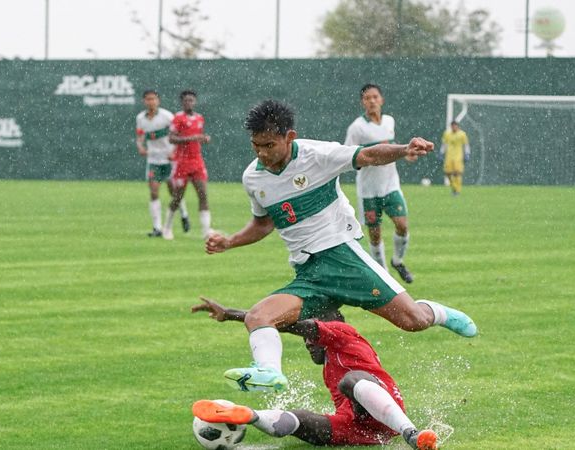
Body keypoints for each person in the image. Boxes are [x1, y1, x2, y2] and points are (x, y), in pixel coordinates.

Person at [205, 99, 477, 393]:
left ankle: (443, 313)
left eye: (269, 145)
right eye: (255, 145)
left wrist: (403, 150)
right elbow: (263, 223)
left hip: (343, 257)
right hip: (308, 274)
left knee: (413, 321)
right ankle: (269, 373)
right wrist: (229, 241)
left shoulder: (317, 155)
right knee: (260, 317)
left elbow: (369, 155)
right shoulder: (253, 177)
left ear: (289, 137)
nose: (261, 153)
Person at [191, 298, 442, 450]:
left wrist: (235, 315)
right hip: (358, 428)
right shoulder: (329, 363)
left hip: (385, 409)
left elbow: (298, 327)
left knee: (351, 381)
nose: (309, 344)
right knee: (301, 420)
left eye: (313, 339)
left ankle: (413, 434)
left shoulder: (343, 332)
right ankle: (251, 416)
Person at [344, 83, 414, 283]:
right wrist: (372, 152)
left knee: (402, 225)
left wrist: (405, 154)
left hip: (391, 185)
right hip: (368, 190)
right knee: (375, 235)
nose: (372, 101)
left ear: (381, 100)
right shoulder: (357, 127)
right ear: (362, 102)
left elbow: (392, 149)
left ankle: (398, 261)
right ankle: (384, 274)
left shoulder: (389, 121)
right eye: (368, 98)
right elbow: (348, 154)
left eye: (375, 97)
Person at [134, 89, 189, 237]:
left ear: (158, 100)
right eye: (148, 99)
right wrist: (140, 147)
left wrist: (174, 152)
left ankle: (184, 213)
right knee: (153, 191)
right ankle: (157, 227)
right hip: (153, 160)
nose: (151, 102)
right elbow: (139, 135)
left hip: (169, 159)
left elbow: (178, 134)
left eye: (153, 99)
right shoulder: (141, 118)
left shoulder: (167, 116)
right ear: (144, 101)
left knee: (174, 191)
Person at [163, 90, 212, 240]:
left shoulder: (199, 118)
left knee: (203, 195)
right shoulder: (178, 118)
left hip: (197, 161)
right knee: (177, 197)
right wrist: (192, 138)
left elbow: (198, 137)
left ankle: (206, 231)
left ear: (195, 101)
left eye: (191, 100)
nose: (188, 103)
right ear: (182, 102)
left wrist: (204, 138)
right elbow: (171, 138)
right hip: (182, 162)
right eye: (186, 100)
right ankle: (167, 227)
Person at [440, 121, 470, 196]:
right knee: (448, 173)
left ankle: (457, 190)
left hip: (458, 157)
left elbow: (466, 145)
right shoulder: (447, 134)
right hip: (449, 156)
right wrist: (441, 153)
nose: (453, 127)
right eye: (452, 126)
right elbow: (444, 144)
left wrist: (467, 154)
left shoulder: (462, 134)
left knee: (457, 173)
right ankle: (454, 187)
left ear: (458, 126)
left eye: (455, 126)